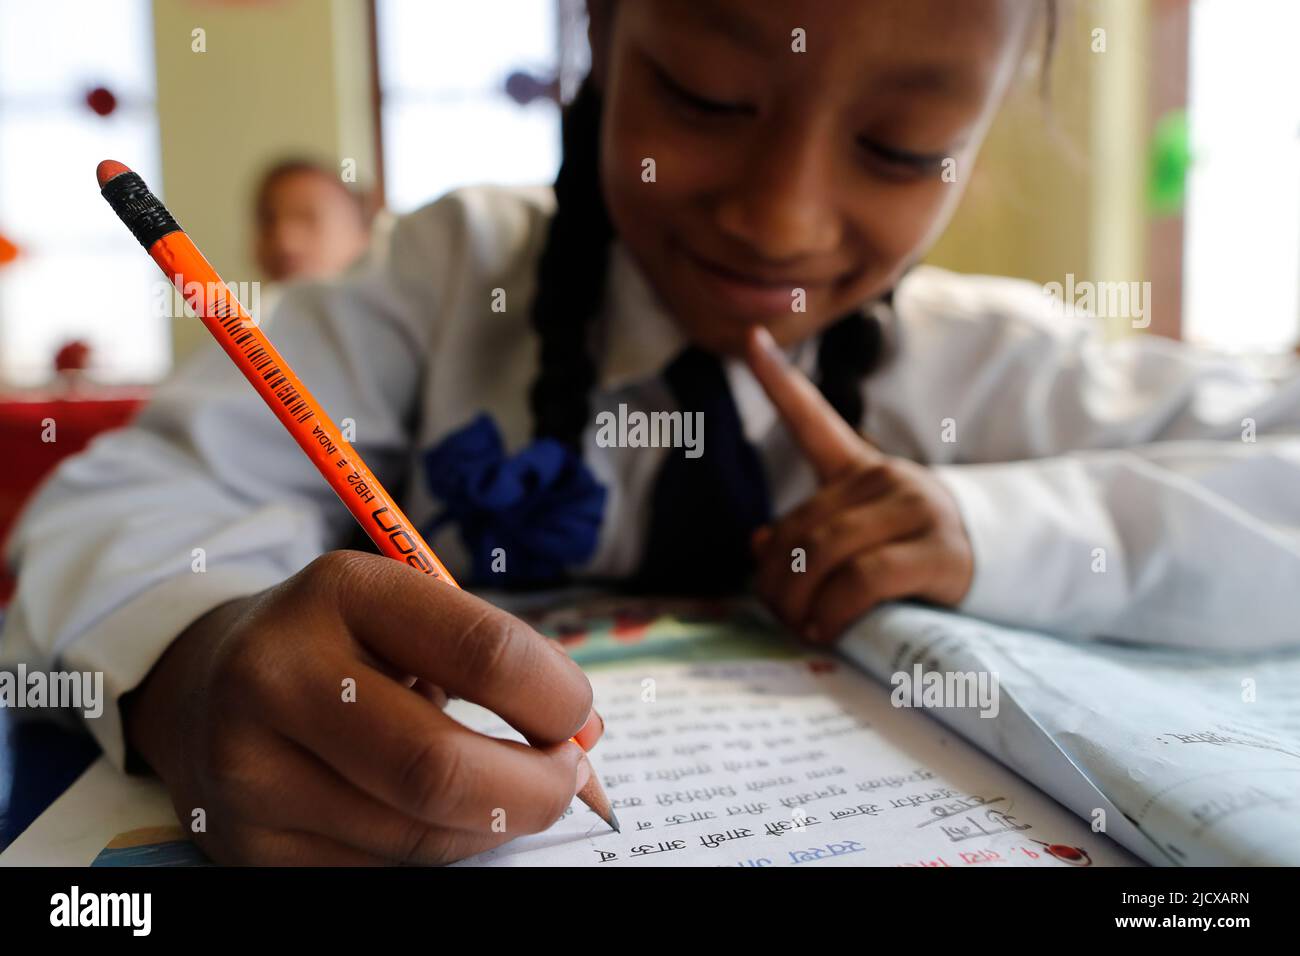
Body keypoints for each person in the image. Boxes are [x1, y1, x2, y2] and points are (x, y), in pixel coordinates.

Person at [4, 0, 1299, 865]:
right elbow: (131, 501)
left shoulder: (997, 366)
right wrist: (201, 661)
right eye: (705, 95)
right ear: (600, 42)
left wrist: (1003, 529)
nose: (781, 221)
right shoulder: (448, 279)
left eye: (902, 150)